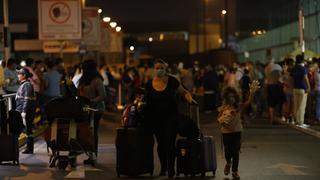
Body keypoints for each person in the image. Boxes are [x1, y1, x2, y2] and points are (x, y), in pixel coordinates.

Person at [143, 59, 193, 177]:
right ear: (154, 70)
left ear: (165, 69)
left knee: (170, 143)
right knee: (161, 144)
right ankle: (164, 167)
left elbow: (183, 92)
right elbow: (145, 99)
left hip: (171, 117)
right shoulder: (149, 84)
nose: (159, 70)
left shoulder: (172, 81)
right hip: (156, 119)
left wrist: (190, 99)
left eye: (161, 67)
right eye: (157, 68)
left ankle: (171, 168)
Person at [217, 80, 260, 180]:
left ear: (236, 97)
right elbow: (218, 119)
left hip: (237, 131)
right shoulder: (223, 108)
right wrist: (222, 119)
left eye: (233, 96)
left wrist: (252, 92)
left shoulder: (238, 106)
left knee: (236, 152)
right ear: (226, 97)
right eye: (229, 96)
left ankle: (235, 171)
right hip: (226, 132)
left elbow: (248, 102)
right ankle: (228, 162)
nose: (231, 98)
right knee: (228, 152)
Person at [78, 59, 106, 164]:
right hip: (85, 109)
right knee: (87, 132)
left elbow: (103, 95)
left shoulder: (96, 80)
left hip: (96, 110)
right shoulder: (84, 79)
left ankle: (93, 156)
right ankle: (90, 154)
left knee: (93, 132)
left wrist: (91, 101)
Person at [15, 68, 36, 154]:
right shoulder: (25, 84)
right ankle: (29, 148)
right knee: (27, 130)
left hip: (26, 111)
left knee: (27, 130)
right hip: (25, 111)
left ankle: (29, 148)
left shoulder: (26, 85)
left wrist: (24, 111)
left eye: (19, 74)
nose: (18, 75)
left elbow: (27, 99)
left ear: (24, 75)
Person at [291, 54, 311, 127]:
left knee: (296, 105)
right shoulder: (303, 68)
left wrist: (292, 87)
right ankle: (301, 122)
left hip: (295, 88)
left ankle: (296, 121)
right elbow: (306, 78)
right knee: (302, 106)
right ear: (302, 60)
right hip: (302, 89)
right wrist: (308, 87)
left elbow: (292, 79)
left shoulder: (294, 68)